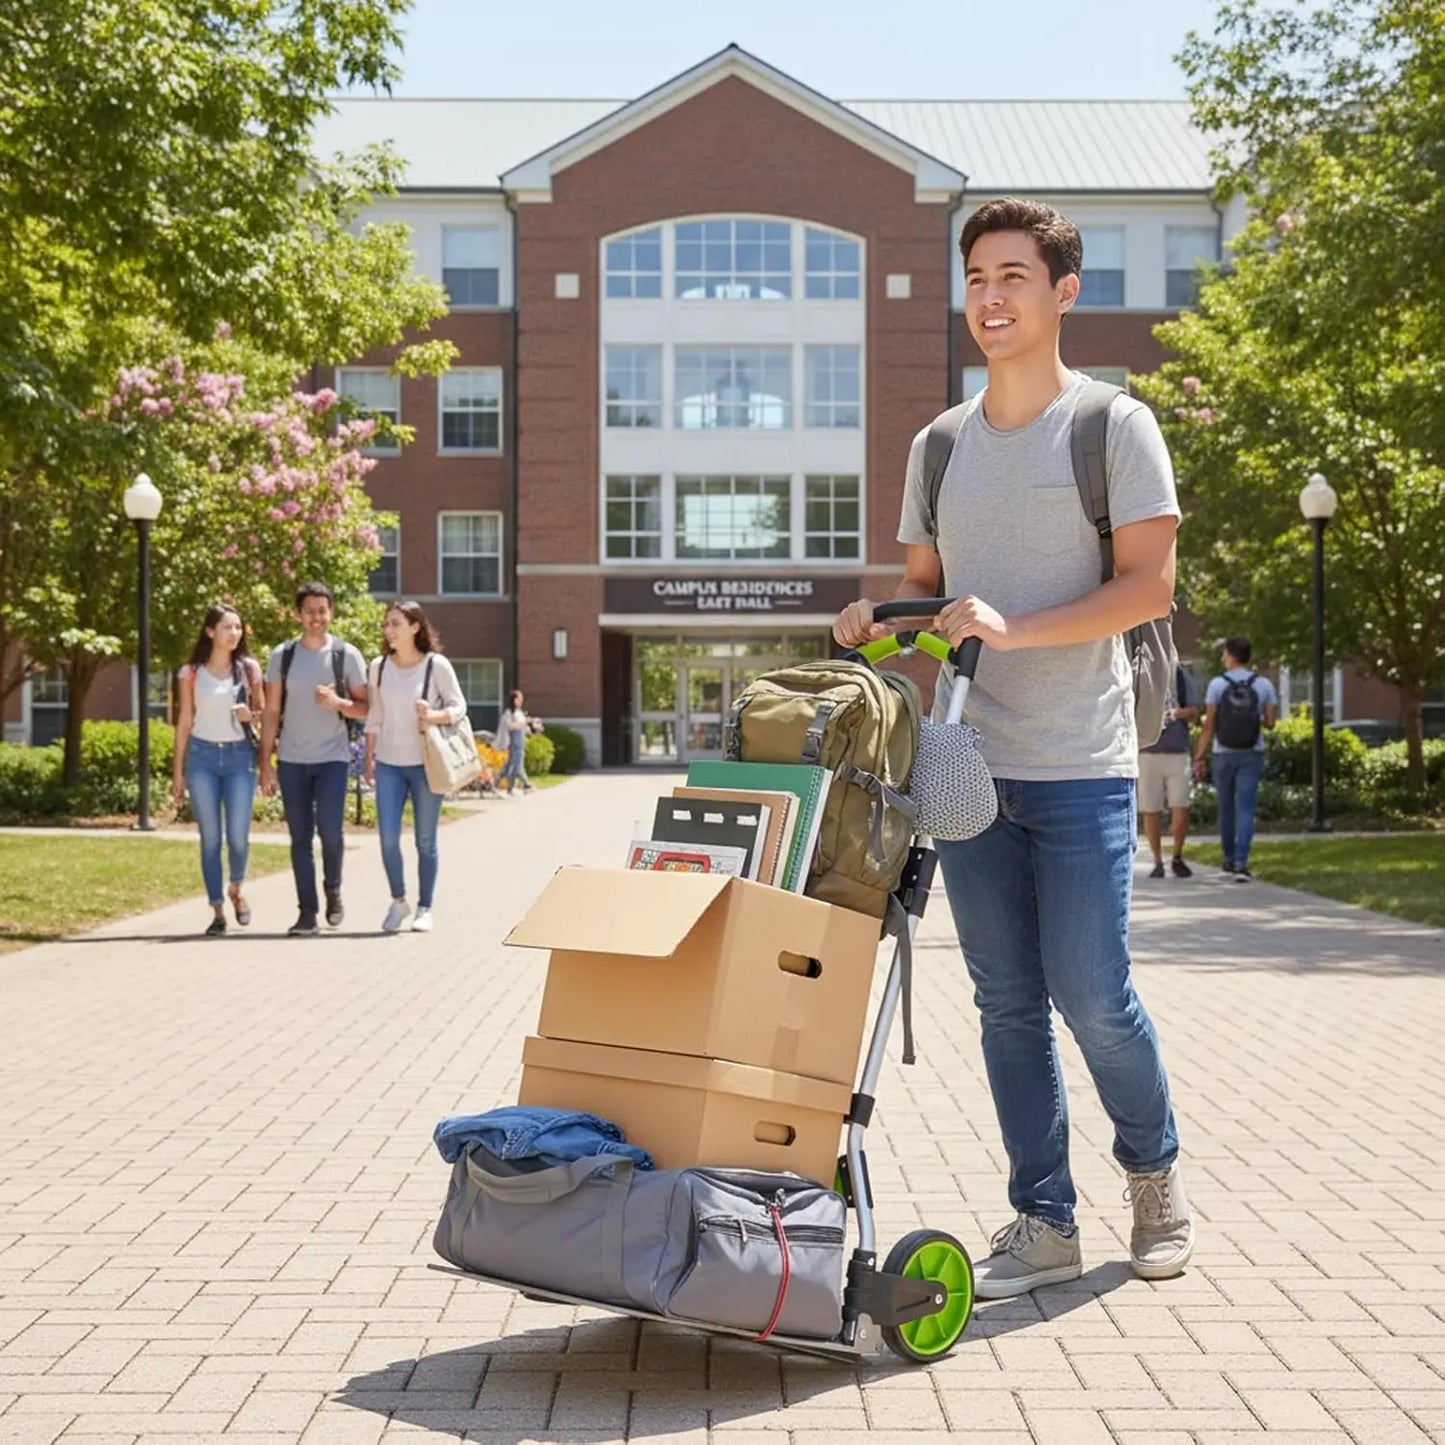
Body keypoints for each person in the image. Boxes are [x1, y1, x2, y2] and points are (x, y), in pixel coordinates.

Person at [834, 196, 1192, 1299]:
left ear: (1061, 292)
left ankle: (1153, 1173)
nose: (990, 298)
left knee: (1091, 992)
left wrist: (1015, 628)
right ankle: (1042, 1219)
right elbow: (924, 592)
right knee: (1002, 999)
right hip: (967, 766)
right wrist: (876, 621)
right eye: (977, 278)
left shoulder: (1109, 426)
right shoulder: (937, 443)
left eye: (1013, 278)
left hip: (1081, 759)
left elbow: (1146, 584)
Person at [258, 582, 368, 936]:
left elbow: (366, 708)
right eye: (309, 611)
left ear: (330, 613)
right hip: (292, 758)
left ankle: (332, 889)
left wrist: (338, 704)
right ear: (298, 615)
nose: (316, 618)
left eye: (322, 610)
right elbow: (272, 711)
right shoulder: (282, 657)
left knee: (332, 834)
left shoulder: (345, 655)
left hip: (333, 758)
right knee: (300, 839)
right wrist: (266, 762)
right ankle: (307, 912)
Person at [362, 601, 467, 933]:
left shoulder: (436, 666)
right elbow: (375, 717)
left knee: (425, 840)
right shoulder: (378, 667)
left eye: (396, 623)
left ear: (415, 627)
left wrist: (434, 715)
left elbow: (459, 706)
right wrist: (369, 759)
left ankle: (425, 907)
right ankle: (398, 902)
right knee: (388, 839)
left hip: (426, 765)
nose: (389, 630)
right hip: (389, 764)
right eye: (386, 624)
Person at [171, 604, 264, 936]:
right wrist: (178, 772)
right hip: (202, 758)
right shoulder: (191, 673)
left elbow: (264, 716)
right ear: (211, 632)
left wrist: (249, 717)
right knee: (210, 839)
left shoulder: (249, 669)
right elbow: (183, 721)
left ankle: (236, 889)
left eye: (238, 628)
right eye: (228, 627)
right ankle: (217, 911)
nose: (235, 633)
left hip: (240, 758)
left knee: (238, 838)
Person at [1192, 637, 1278, 881]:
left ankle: (1228, 858)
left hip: (1223, 753)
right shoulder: (1263, 685)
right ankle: (1242, 862)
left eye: (1224, 654)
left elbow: (1209, 725)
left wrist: (1199, 754)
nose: (1222, 658)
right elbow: (1270, 723)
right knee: (1246, 807)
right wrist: (1251, 720)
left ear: (1230, 655)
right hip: (1252, 752)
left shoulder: (1217, 685)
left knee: (1226, 806)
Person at [1139, 663, 1200, 878]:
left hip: (1177, 751)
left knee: (1180, 804)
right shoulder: (1141, 671)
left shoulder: (1180, 673)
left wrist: (1174, 714)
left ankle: (1177, 856)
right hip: (1147, 751)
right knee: (1150, 808)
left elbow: (1193, 711)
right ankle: (1157, 861)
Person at [493, 690, 534, 795]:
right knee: (516, 765)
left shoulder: (519, 713)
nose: (521, 701)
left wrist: (529, 728)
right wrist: (523, 723)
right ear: (515, 700)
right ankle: (525, 784)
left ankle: (499, 783)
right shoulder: (509, 713)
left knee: (511, 765)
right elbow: (510, 726)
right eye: (519, 699)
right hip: (513, 744)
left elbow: (523, 727)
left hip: (520, 743)